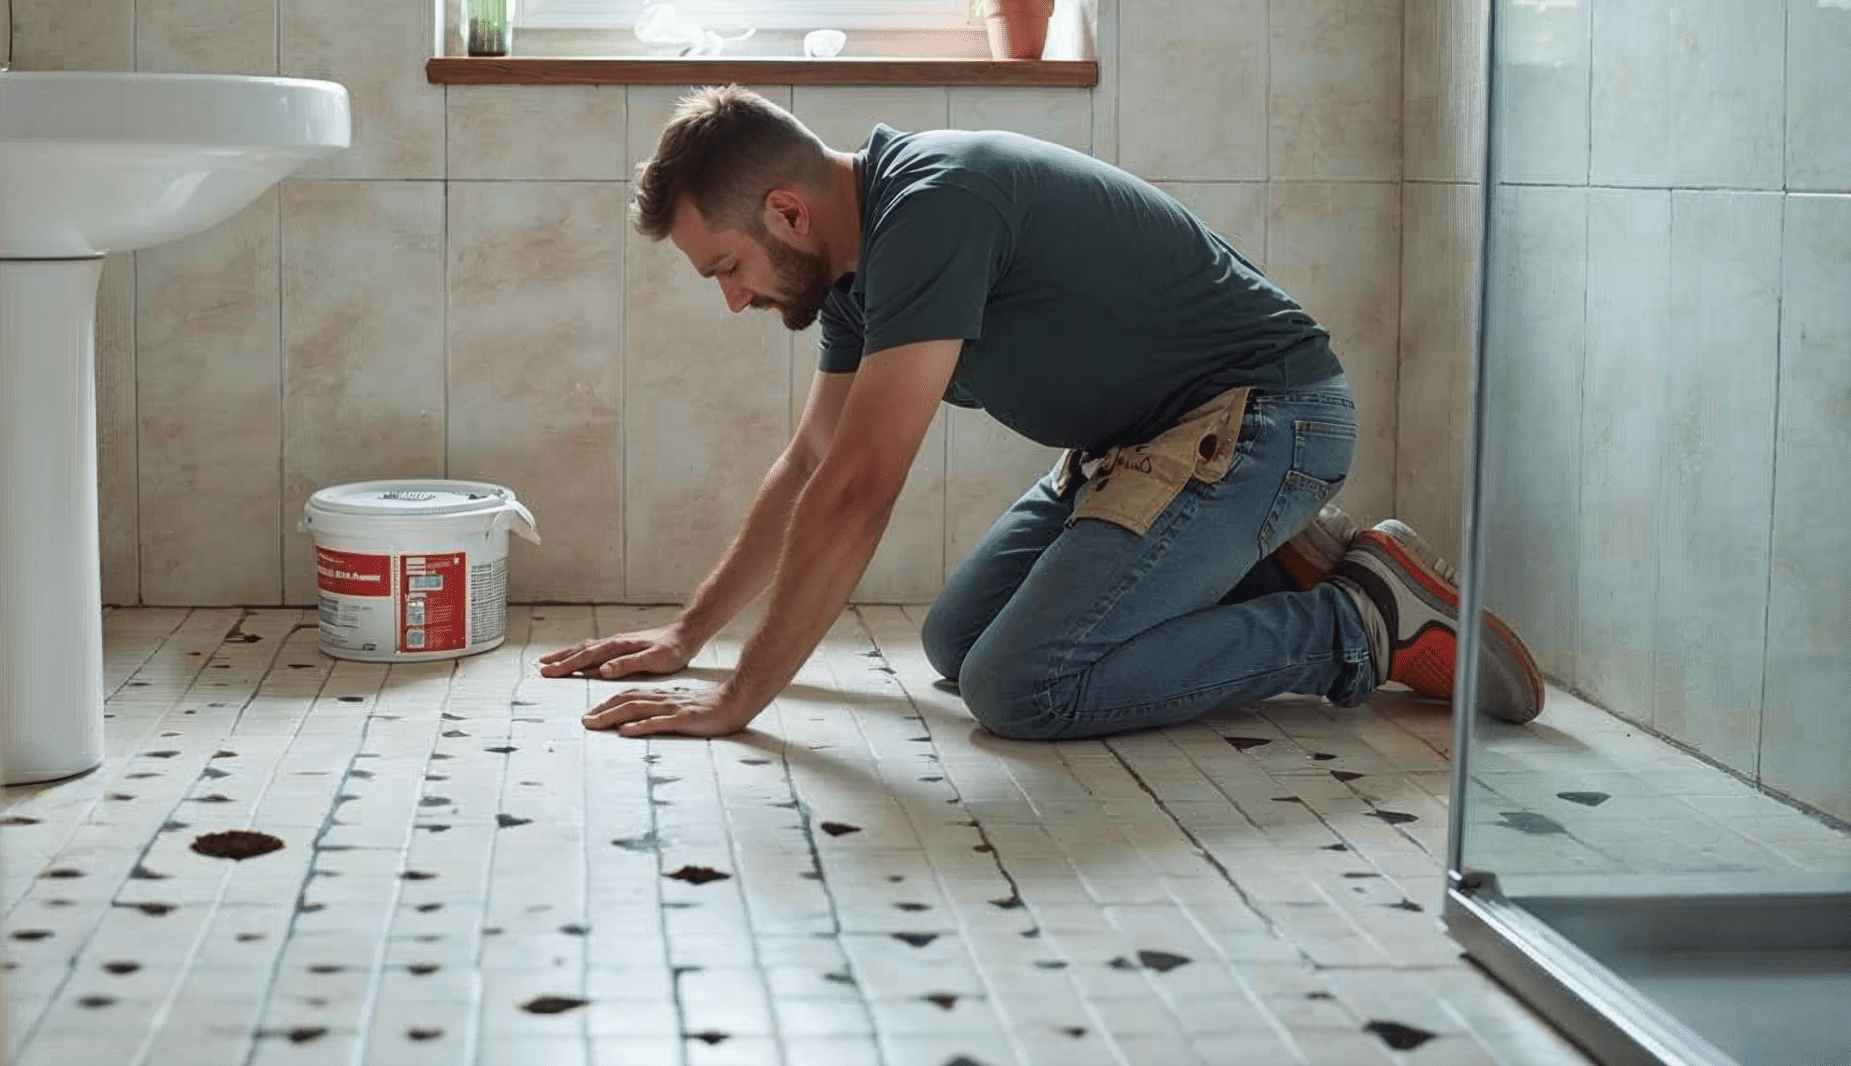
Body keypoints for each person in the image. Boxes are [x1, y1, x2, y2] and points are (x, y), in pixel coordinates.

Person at [539, 86, 1545, 739]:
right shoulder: (850, 270)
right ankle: (1256, 558)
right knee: (956, 642)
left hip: (1266, 423)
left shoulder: (932, 205)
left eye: (727, 267)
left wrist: (739, 697)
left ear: (786, 213)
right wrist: (688, 630)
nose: (731, 297)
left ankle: (1359, 621)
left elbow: (858, 490)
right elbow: (812, 460)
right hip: (1143, 448)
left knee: (1020, 689)